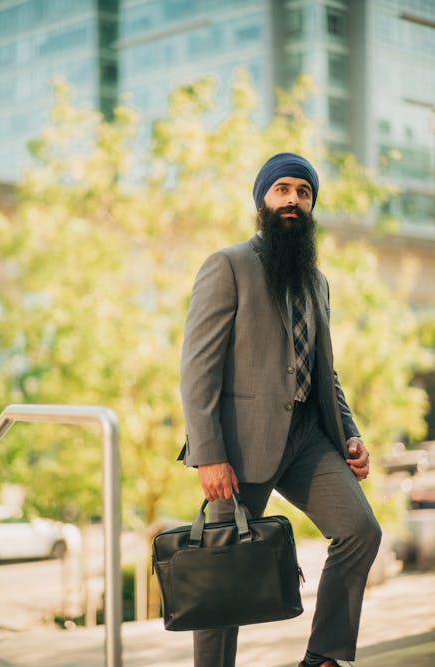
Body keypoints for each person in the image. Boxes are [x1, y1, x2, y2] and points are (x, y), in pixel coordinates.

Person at [178, 152, 382, 667]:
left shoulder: (317, 282)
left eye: (304, 192)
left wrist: (350, 437)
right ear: (263, 200)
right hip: (237, 445)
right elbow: (197, 368)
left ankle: (323, 657)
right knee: (225, 574)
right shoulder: (227, 265)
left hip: (308, 440)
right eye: (283, 189)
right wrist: (208, 454)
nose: (294, 199)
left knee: (361, 531)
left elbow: (324, 374)